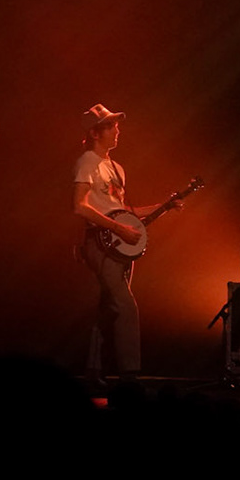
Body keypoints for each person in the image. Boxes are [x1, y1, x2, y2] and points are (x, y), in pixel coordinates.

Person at [72, 104, 148, 382]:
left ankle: (93, 371)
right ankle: (130, 376)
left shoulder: (117, 168)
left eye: (116, 125)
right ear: (94, 133)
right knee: (126, 306)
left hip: (119, 243)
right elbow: (79, 207)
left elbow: (123, 210)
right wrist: (118, 228)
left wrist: (165, 205)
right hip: (101, 242)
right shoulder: (86, 162)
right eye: (110, 126)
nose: (117, 130)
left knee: (107, 308)